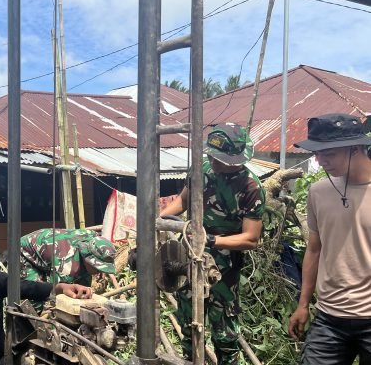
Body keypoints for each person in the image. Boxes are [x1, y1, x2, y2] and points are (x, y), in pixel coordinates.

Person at [159, 123, 265, 364]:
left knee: (224, 333)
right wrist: (160, 218)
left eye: (220, 159)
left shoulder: (251, 187)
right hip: (188, 256)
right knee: (188, 322)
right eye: (211, 155)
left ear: (237, 158)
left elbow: (251, 238)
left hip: (224, 267)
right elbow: (182, 202)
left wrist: (212, 240)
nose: (213, 161)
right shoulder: (202, 170)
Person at [287, 113, 371, 364]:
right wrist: (303, 305)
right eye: (317, 153)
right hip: (329, 318)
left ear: (356, 148)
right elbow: (314, 250)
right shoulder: (319, 192)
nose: (320, 161)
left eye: (329, 154)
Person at [19, 228, 117, 286]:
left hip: (49, 253)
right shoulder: (66, 266)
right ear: (88, 259)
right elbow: (56, 293)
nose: (100, 272)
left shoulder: (92, 238)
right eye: (97, 268)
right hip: (24, 252)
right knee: (36, 295)